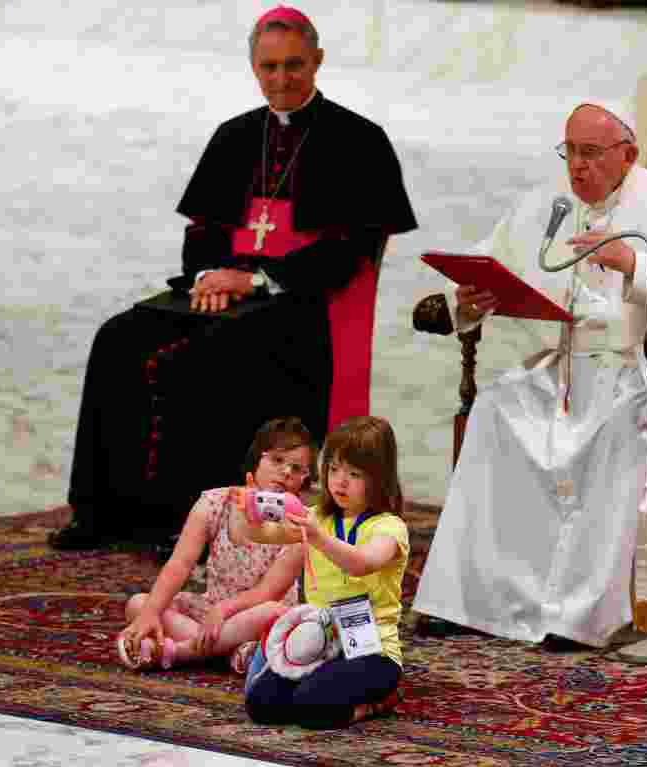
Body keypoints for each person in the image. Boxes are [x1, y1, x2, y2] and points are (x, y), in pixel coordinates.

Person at [50, 5, 418, 550]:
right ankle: (102, 510)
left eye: (294, 65)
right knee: (117, 338)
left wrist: (260, 280)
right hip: (225, 292)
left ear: (317, 61)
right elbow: (203, 229)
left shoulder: (359, 140)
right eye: (269, 67)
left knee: (211, 354)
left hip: (303, 299)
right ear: (254, 67)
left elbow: (352, 248)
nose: (282, 78)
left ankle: (187, 521)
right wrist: (209, 276)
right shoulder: (235, 135)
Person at [413, 102, 647, 648]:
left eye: (591, 153)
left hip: (645, 371)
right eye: (569, 151)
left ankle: (583, 616)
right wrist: (471, 299)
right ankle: (477, 601)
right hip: (563, 370)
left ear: (628, 155)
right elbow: (489, 259)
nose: (577, 167)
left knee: (616, 429)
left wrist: (635, 265)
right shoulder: (546, 204)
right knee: (498, 409)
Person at [241, 416, 409, 729]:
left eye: (354, 474)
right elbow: (263, 534)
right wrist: (250, 510)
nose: (340, 482)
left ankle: (377, 704)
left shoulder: (390, 527)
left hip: (372, 652)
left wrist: (319, 537)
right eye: (333, 469)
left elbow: (362, 562)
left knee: (310, 705)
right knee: (261, 704)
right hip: (320, 644)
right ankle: (325, 686)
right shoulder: (318, 517)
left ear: (380, 478)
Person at [115, 417, 316, 672]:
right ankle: (229, 651)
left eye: (297, 469)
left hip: (254, 615)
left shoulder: (301, 524)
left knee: (274, 612)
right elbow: (180, 564)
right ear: (257, 458)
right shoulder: (215, 502)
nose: (287, 472)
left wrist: (224, 610)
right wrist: (150, 613)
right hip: (210, 610)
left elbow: (268, 592)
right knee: (139, 604)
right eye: (277, 460)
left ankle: (180, 652)